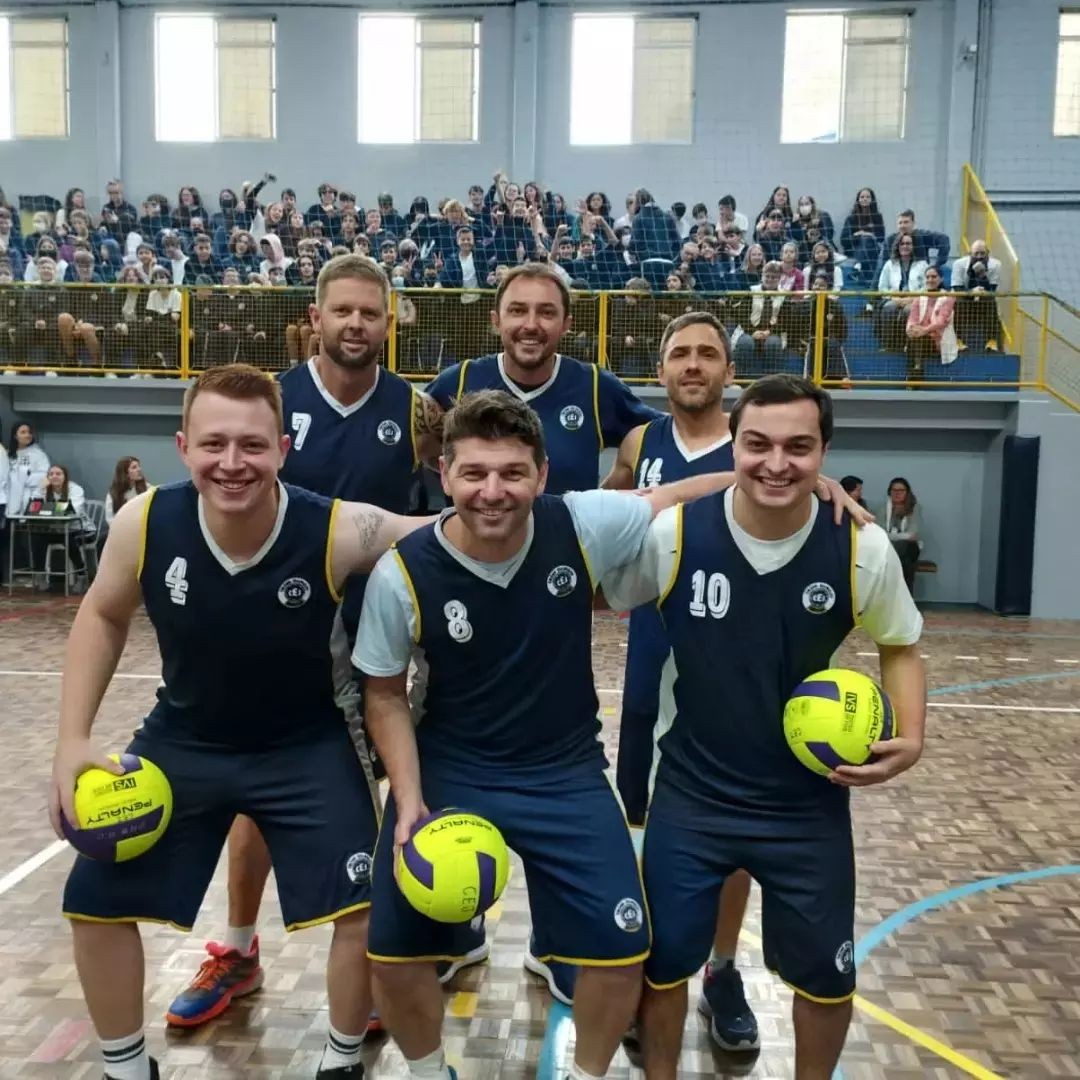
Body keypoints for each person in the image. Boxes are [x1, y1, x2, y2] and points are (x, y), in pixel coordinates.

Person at [51, 363, 439, 1080]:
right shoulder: (145, 522)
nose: (233, 462)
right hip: (184, 740)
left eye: (253, 445)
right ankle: (124, 1068)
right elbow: (102, 614)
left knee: (364, 906)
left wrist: (591, 510)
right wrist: (71, 742)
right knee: (93, 899)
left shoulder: (335, 529)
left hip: (308, 743)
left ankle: (341, 1062)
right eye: (214, 444)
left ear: (283, 449)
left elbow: (444, 528)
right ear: (183, 447)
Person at [355, 389, 731, 1080]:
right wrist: (406, 798)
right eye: (474, 473)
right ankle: (429, 1072)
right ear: (445, 475)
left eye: (512, 473)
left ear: (542, 474)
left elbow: (677, 494)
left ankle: (585, 1074)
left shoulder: (581, 522)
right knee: (392, 953)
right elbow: (383, 694)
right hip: (453, 768)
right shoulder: (401, 572)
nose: (492, 491)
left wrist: (795, 480)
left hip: (564, 771)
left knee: (623, 949)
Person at [600, 373, 926, 1080]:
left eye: (798, 448)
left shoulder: (860, 548)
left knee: (828, 979)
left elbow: (900, 643)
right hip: (692, 792)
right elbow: (602, 584)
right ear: (734, 445)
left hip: (807, 801)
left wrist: (913, 735)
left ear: (824, 452)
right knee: (662, 967)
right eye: (758, 445)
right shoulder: (675, 534)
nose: (777, 462)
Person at [165, 256, 449, 1030]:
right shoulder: (273, 401)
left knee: (390, 788)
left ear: (389, 322)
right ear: (315, 317)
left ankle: (378, 961)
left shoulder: (420, 412)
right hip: (278, 635)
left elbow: (447, 506)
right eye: (342, 311)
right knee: (256, 789)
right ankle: (237, 947)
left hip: (384, 636)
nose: (356, 324)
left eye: (370, 313)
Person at [426, 263, 659, 496]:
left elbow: (666, 436)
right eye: (517, 311)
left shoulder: (596, 386)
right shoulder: (459, 382)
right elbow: (416, 443)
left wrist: (609, 498)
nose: (531, 325)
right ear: (496, 321)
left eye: (546, 313)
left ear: (566, 324)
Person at [30, 463, 87, 587]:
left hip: (76, 528)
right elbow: (34, 508)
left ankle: (81, 575)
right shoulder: (44, 489)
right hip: (53, 529)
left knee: (69, 539)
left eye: (58, 474)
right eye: (51, 474)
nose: (54, 476)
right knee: (37, 536)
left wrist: (50, 509)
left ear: (65, 476)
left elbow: (73, 510)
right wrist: (40, 489)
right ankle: (40, 575)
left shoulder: (75, 489)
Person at [904, 265, 956, 379]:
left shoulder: (948, 297)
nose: (930, 280)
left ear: (941, 279)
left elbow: (941, 321)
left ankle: (913, 376)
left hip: (938, 339)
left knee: (917, 339)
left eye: (933, 277)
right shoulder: (919, 297)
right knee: (915, 337)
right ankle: (917, 371)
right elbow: (912, 318)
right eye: (927, 277)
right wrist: (911, 329)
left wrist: (924, 330)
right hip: (920, 337)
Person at [884, 476, 920, 592]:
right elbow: (880, 533)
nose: (897, 493)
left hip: (909, 548)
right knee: (905, 560)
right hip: (887, 547)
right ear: (889, 492)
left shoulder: (914, 508)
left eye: (901, 490)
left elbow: (913, 533)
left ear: (907, 492)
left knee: (906, 547)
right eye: (894, 490)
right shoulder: (882, 508)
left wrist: (891, 536)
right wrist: (903, 536)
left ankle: (901, 593)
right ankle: (905, 594)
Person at [105, 457, 150, 524]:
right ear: (125, 473)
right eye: (134, 467)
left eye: (139, 466)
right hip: (122, 527)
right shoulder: (113, 494)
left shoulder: (146, 487)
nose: (139, 469)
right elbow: (110, 519)